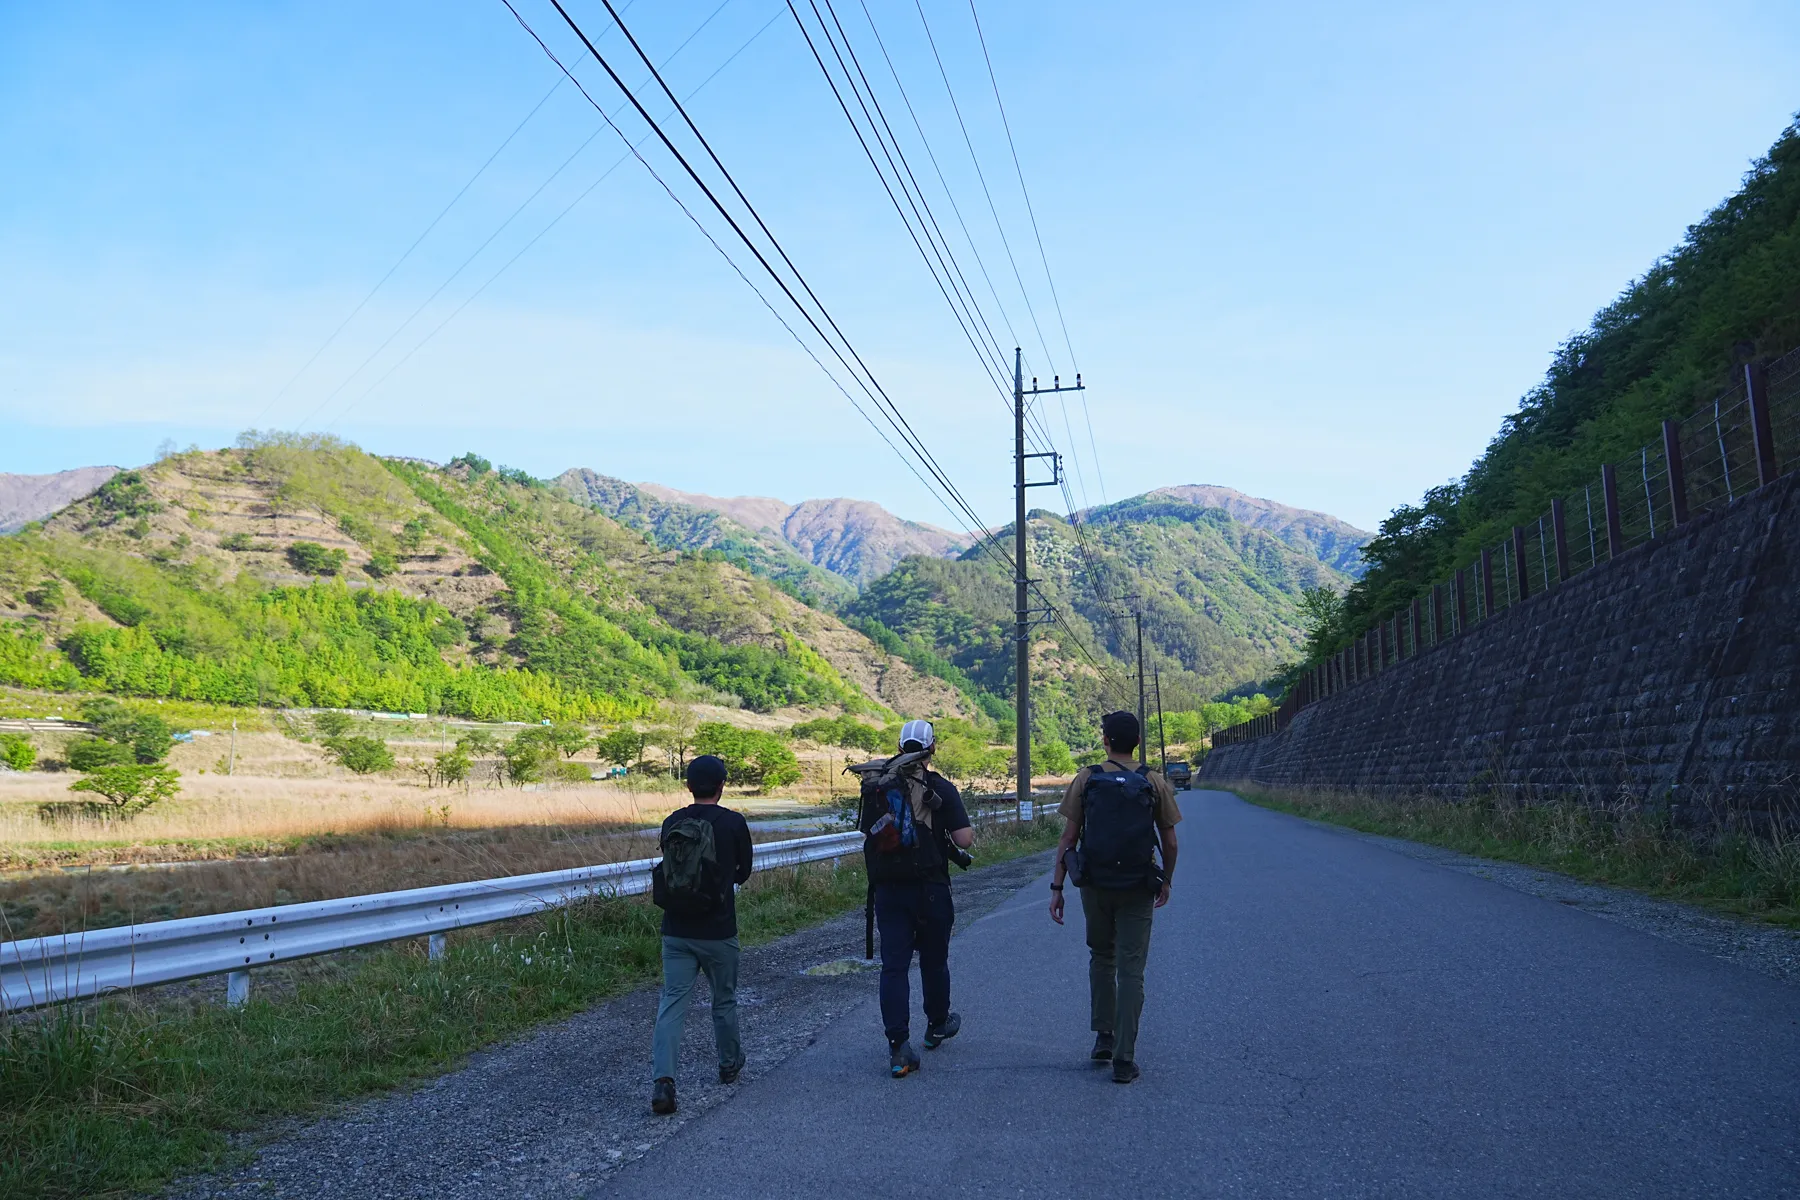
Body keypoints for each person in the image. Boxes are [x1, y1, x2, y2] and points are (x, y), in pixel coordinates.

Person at [1048, 711, 1181, 1084]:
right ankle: (1125, 1058)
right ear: (1137, 743)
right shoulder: (1153, 780)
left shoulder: (1088, 777)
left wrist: (1057, 887)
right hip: (1138, 885)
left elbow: (1068, 839)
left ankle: (1103, 1037)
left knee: (1101, 956)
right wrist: (1166, 879)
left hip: (1096, 884)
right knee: (1131, 968)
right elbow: (1170, 841)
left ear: (1105, 741)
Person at [861, 718, 974, 1078]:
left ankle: (898, 1049)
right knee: (933, 959)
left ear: (899, 747)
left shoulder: (879, 786)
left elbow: (868, 833)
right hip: (930, 889)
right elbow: (966, 839)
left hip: (888, 889)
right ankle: (937, 1024)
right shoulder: (939, 788)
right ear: (932, 747)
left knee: (893, 967)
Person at [649, 754, 754, 1115]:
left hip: (675, 930)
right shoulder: (733, 822)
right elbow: (744, 872)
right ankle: (728, 1065)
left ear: (689, 786)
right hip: (719, 930)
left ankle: (664, 1081)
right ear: (722, 785)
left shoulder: (672, 821)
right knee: (723, 999)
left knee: (672, 1004)